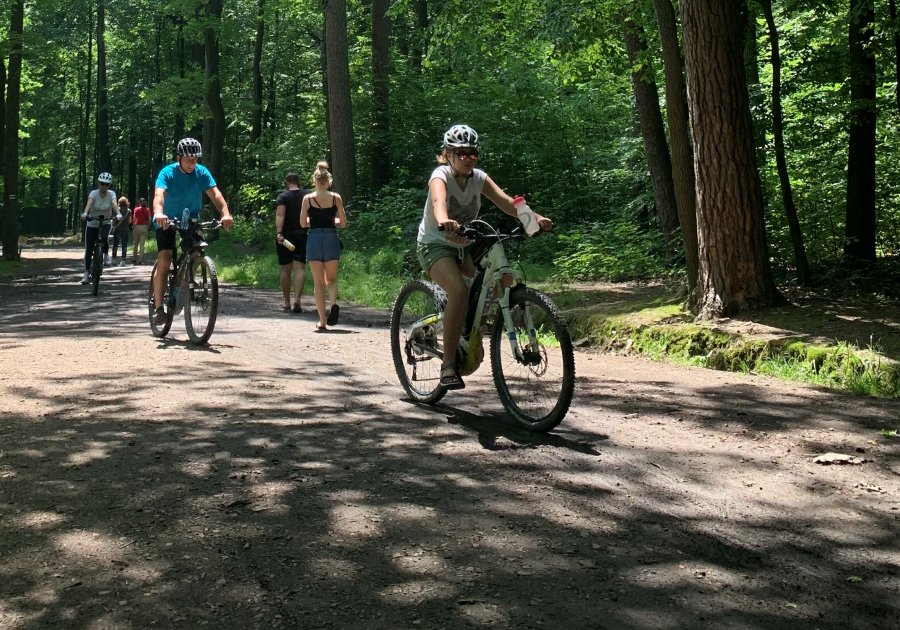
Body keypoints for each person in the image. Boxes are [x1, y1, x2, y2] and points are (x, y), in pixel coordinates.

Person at [416, 124, 552, 390]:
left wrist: (534, 219)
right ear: (449, 154)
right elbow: (438, 202)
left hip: (466, 243)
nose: (468, 158)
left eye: (472, 153)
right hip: (435, 244)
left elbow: (506, 202)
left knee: (502, 274)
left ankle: (485, 323)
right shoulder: (439, 175)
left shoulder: (478, 178)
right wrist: (445, 220)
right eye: (461, 153)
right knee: (458, 292)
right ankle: (448, 367)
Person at [151, 137, 234, 325]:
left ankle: (188, 277)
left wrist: (225, 214)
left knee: (197, 249)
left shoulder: (201, 172)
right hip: (167, 220)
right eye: (188, 159)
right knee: (164, 259)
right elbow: (159, 195)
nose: (192, 163)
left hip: (191, 219)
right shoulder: (167, 172)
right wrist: (159, 213)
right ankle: (158, 308)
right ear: (179, 157)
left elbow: (215, 194)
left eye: (195, 159)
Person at [299, 161, 347, 331]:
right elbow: (342, 223)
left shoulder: (308, 199)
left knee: (318, 282)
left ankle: (322, 321)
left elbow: (303, 224)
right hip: (331, 238)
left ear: (315, 180)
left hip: (314, 239)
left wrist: (314, 219)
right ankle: (333, 304)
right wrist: (331, 219)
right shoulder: (336, 197)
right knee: (331, 279)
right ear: (328, 181)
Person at [275, 172, 311, 312]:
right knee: (300, 268)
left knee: (285, 269)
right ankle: (298, 300)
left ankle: (287, 302)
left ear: (286, 182)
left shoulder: (283, 196)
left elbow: (280, 214)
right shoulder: (308, 194)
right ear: (298, 181)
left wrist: (279, 233)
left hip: (286, 237)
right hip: (303, 234)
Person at [80, 172, 118, 284]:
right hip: (92, 222)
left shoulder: (111, 194)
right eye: (102, 183)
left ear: (109, 185)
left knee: (105, 237)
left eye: (106, 184)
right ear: (98, 183)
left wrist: (118, 213)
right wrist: (85, 213)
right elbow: (89, 203)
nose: (104, 186)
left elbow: (114, 204)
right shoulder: (94, 193)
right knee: (89, 248)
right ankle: (86, 272)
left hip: (106, 221)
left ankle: (106, 255)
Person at [111, 196, 132, 266]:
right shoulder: (129, 211)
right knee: (124, 245)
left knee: (115, 244)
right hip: (125, 230)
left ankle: (113, 259)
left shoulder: (117, 210)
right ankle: (123, 260)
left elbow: (114, 220)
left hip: (117, 229)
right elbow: (129, 221)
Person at [131, 197, 151, 264]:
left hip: (137, 227)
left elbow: (134, 219)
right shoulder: (147, 210)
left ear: (139, 203)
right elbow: (149, 219)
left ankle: (134, 258)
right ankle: (140, 259)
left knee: (135, 244)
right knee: (142, 244)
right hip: (144, 227)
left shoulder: (136, 209)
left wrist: (133, 226)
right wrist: (148, 226)